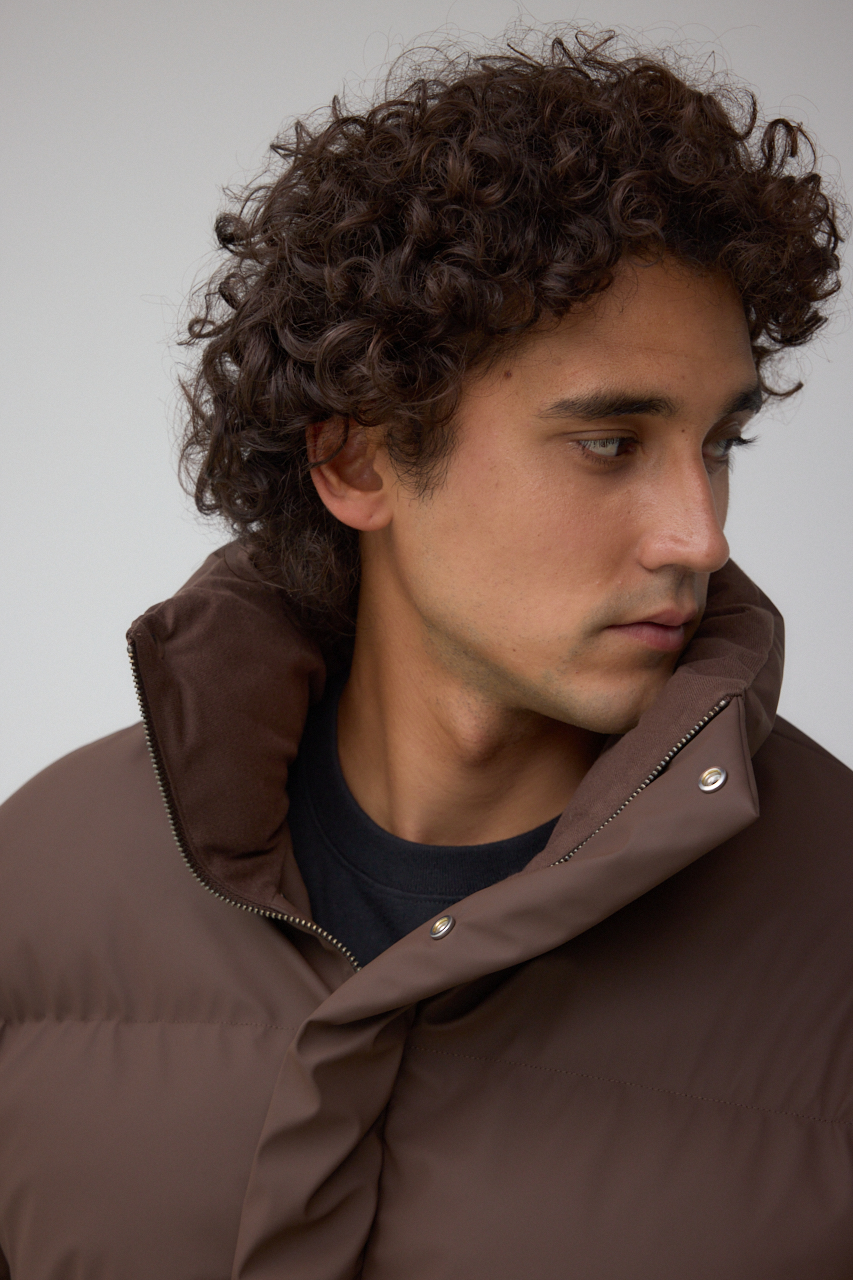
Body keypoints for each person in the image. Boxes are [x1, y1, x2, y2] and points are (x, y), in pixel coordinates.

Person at [0, 29, 850, 1279]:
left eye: (717, 443)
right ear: (357, 459)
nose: (700, 534)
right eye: (610, 443)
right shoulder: (38, 882)